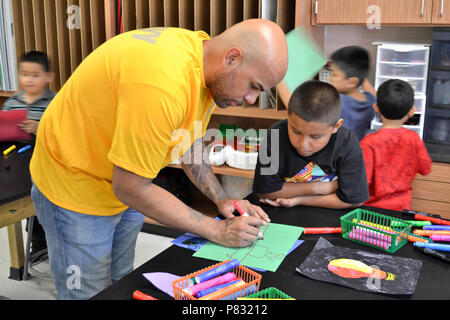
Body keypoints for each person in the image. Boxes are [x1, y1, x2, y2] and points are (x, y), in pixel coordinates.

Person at [29, 19, 288, 299]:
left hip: (123, 177)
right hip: (74, 183)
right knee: (88, 293)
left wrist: (221, 199)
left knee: (121, 281)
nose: (251, 98)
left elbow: (188, 141)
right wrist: (216, 229)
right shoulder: (162, 86)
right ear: (232, 58)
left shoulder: (206, 64)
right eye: (254, 86)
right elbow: (129, 187)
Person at [254, 80, 369, 209]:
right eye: (296, 131)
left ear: (336, 126)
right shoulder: (275, 135)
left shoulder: (347, 142)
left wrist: (299, 200)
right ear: (288, 116)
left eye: (316, 136)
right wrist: (321, 188)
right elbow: (265, 191)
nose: (303, 144)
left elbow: (354, 200)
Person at [2, 50, 55, 259]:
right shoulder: (12, 102)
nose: (29, 79)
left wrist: (38, 128)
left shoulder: (55, 103)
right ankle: (37, 244)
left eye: (36, 75)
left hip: (46, 161)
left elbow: (63, 134)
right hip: (18, 161)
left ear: (48, 77)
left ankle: (44, 243)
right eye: (25, 74)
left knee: (43, 203)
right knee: (23, 203)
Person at [360, 79, 431, 211]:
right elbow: (425, 168)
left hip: (372, 213)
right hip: (402, 210)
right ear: (412, 111)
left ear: (376, 108)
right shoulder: (414, 139)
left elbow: (362, 182)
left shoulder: (368, 143)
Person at [328, 46, 377, 140]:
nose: (329, 78)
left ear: (351, 82)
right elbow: (373, 95)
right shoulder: (370, 102)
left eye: (334, 74)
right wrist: (361, 75)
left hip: (337, 153)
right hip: (357, 151)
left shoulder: (338, 101)